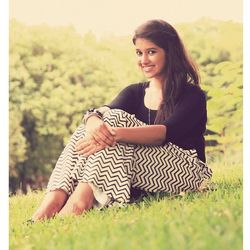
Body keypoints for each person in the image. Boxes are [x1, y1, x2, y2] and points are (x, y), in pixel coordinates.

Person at [31, 19, 212, 221]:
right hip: (145, 169)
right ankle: (51, 203)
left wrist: (113, 134)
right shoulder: (134, 92)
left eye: (151, 52)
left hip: (186, 172)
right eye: (139, 53)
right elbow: (97, 113)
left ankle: (78, 203)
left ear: (170, 52)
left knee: (115, 122)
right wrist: (94, 122)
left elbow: (163, 134)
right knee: (96, 125)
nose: (144, 59)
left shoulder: (192, 94)